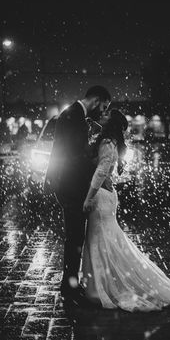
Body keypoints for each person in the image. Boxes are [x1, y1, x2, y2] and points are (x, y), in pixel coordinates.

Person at [81, 109, 170, 312]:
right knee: (107, 240)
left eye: (106, 115)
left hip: (100, 197)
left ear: (111, 123)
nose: (102, 115)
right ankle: (103, 282)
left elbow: (101, 171)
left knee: (100, 240)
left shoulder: (106, 143)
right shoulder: (110, 141)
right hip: (107, 195)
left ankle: (103, 286)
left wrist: (89, 197)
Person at [44, 85, 111, 305]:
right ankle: (69, 287)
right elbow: (74, 156)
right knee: (74, 239)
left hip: (68, 184)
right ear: (96, 100)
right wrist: (97, 168)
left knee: (74, 238)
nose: (103, 111)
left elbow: (60, 150)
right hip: (72, 186)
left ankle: (70, 284)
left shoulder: (73, 114)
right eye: (104, 106)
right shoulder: (73, 116)